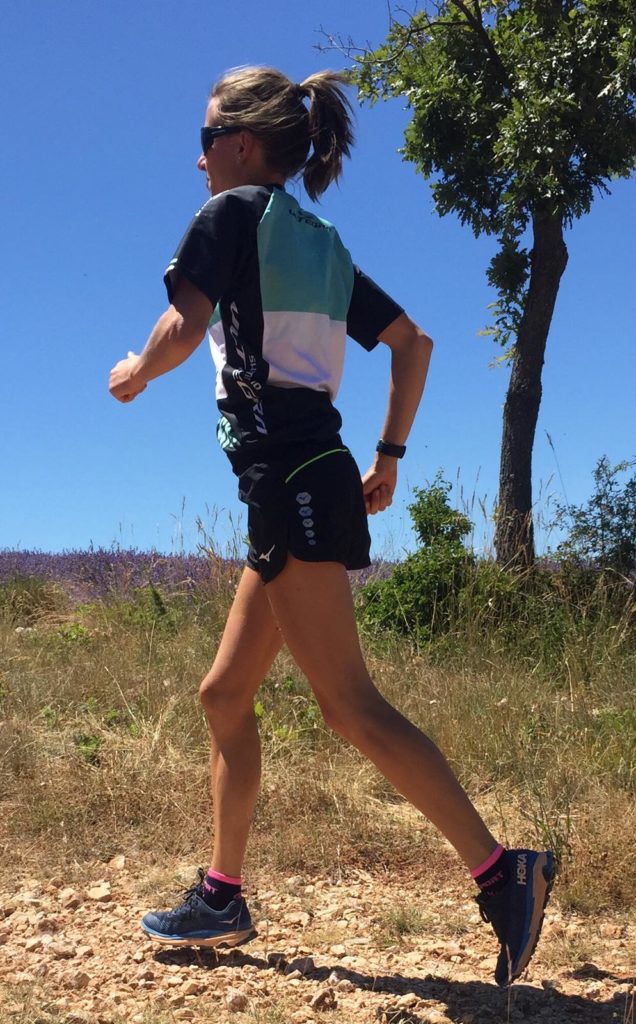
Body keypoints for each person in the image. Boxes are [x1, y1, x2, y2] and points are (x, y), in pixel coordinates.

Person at [108, 66, 554, 988]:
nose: (196, 159)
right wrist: (389, 455)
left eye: (205, 138)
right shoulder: (320, 241)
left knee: (349, 706)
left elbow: (183, 326)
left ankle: (502, 869)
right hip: (313, 478)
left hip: (292, 481)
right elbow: (413, 344)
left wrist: (136, 372)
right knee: (224, 695)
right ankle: (222, 895)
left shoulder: (231, 217)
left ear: (241, 144)